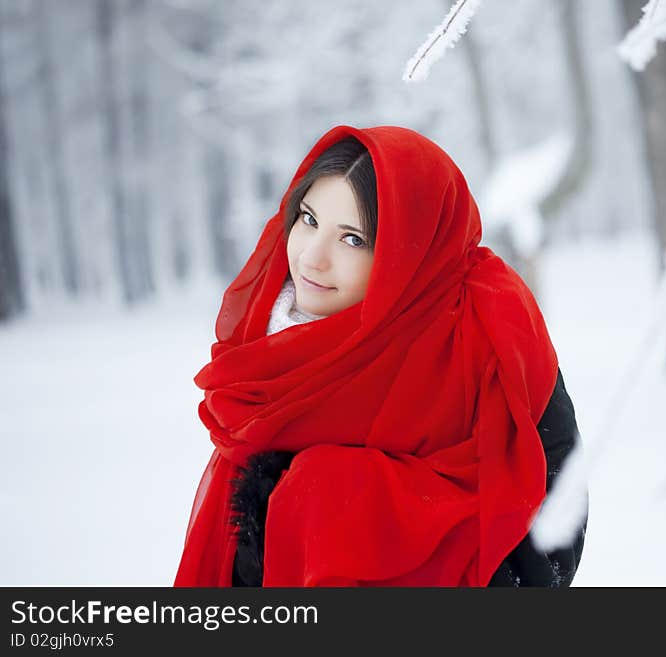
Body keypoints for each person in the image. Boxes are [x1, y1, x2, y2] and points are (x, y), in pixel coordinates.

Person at [174, 125, 588, 587]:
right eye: (308, 219)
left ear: (405, 252)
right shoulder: (262, 356)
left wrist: (335, 505)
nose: (312, 258)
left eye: (352, 238)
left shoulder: (486, 334)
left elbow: (553, 537)